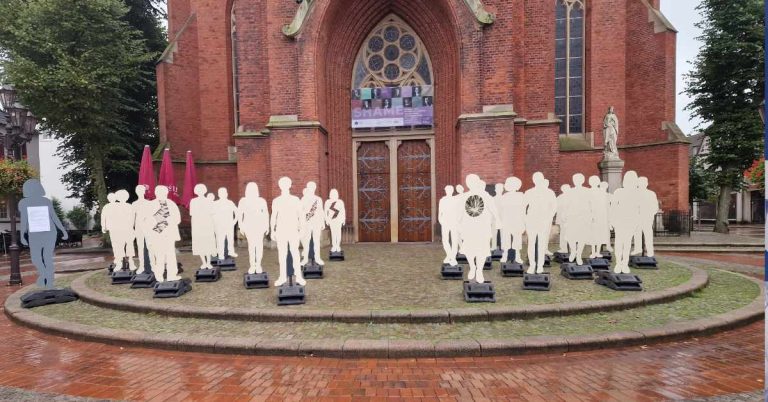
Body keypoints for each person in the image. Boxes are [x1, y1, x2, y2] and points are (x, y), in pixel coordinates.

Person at [18, 179, 68, 288]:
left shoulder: (46, 201)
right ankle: (45, 275)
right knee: (36, 258)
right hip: (36, 234)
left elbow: (54, 217)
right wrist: (22, 235)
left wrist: (63, 230)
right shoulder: (24, 203)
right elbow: (24, 220)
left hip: (48, 233)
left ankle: (49, 283)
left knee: (47, 257)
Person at [457, 174, 499, 283]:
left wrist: (498, 220)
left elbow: (493, 209)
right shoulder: (464, 196)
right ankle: (472, 267)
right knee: (469, 249)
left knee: (482, 250)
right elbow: (459, 212)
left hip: (482, 227)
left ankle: (479, 270)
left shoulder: (486, 196)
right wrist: (458, 224)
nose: (471, 184)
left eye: (473, 181)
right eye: (469, 182)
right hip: (469, 227)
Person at [271, 177, 306, 286]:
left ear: (290, 185)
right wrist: (272, 230)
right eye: (283, 184)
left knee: (295, 253)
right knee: (282, 254)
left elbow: (301, 215)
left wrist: (302, 228)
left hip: (293, 230)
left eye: (287, 184)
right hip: (281, 230)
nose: (285, 186)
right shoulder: (276, 201)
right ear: (280, 185)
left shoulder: (295, 199)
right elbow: (273, 216)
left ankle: (299, 276)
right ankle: (282, 277)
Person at [142, 186, 182, 282]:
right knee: (159, 256)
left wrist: (167, 221)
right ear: (156, 193)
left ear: (166, 193)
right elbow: (146, 220)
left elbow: (177, 219)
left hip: (168, 234)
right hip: (157, 234)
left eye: (163, 192)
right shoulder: (150, 205)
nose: (162, 194)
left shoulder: (171, 204)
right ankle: (159, 276)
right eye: (159, 192)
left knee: (170, 255)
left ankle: (171, 275)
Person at [523, 172, 557, 274]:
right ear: (533, 180)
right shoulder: (529, 192)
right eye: (535, 179)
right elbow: (523, 206)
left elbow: (554, 206)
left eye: (539, 179)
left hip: (543, 221)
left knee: (541, 243)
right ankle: (532, 264)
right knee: (531, 243)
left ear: (542, 179)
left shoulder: (549, 192)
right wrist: (525, 219)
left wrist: (549, 216)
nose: (537, 181)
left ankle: (540, 265)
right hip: (532, 220)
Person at [610, 172, 641, 274]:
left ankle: (625, 263)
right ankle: (618, 263)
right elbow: (613, 207)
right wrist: (612, 220)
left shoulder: (637, 193)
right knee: (619, 242)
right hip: (620, 220)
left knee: (627, 243)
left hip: (631, 220)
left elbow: (639, 209)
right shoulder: (618, 192)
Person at [238, 182, 270, 274]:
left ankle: (258, 264)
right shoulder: (243, 201)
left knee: (259, 246)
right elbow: (240, 214)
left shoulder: (261, 200)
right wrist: (241, 226)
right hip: (248, 225)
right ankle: (252, 265)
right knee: (251, 246)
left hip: (259, 225)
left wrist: (267, 225)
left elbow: (265, 213)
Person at [566, 174, 591, 265]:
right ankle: (573, 251)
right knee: (570, 236)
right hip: (572, 216)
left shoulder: (587, 191)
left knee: (582, 236)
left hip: (583, 217)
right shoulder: (570, 192)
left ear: (583, 180)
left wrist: (591, 215)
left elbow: (590, 204)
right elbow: (566, 204)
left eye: (579, 179)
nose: (577, 181)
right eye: (575, 179)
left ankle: (579, 254)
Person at [190, 184, 216, 269]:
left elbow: (212, 213)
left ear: (204, 190)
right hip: (198, 225)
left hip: (207, 224)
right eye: (199, 190)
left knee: (207, 243)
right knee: (200, 244)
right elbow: (192, 214)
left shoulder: (208, 201)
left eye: (202, 190)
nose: (200, 191)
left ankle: (208, 262)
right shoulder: (193, 201)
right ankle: (204, 262)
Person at [499, 177, 525, 264]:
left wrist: (523, 222)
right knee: (506, 238)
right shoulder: (504, 197)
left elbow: (523, 210)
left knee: (517, 238)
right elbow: (501, 210)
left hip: (517, 220)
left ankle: (517, 255)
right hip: (507, 220)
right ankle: (505, 255)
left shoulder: (521, 196)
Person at [300, 181, 325, 265]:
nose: (311, 189)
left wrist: (322, 222)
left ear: (315, 188)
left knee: (316, 241)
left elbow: (321, 211)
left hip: (316, 223)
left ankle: (317, 258)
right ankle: (305, 259)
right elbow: (301, 212)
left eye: (312, 187)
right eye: (309, 187)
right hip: (307, 223)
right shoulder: (303, 199)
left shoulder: (318, 199)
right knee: (306, 241)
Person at [633, 177, 659, 257]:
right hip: (637, 217)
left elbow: (655, 206)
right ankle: (637, 249)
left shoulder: (651, 194)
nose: (641, 185)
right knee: (637, 233)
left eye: (643, 183)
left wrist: (651, 214)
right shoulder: (635, 194)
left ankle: (650, 251)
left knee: (648, 234)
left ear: (646, 184)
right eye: (640, 183)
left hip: (647, 217)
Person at [112, 190, 137, 270]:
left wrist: (132, 228)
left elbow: (133, 219)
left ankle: (131, 261)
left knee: (129, 245)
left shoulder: (130, 206)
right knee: (119, 246)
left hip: (128, 229)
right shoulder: (115, 207)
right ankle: (119, 263)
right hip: (119, 229)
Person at [133, 185, 154, 273]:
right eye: (138, 191)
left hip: (148, 227)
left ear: (144, 192)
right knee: (140, 247)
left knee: (150, 247)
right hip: (138, 228)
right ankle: (142, 266)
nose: (140, 192)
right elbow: (132, 217)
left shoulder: (149, 203)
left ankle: (152, 265)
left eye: (142, 191)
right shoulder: (134, 204)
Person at [587, 176, 610, 258]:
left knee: (600, 234)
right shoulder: (588, 192)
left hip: (600, 215)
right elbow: (587, 204)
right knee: (593, 234)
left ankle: (597, 252)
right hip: (592, 215)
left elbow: (604, 205)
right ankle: (593, 251)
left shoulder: (602, 192)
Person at [213, 187, 238, 260]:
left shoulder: (230, 203)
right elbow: (212, 214)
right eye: (221, 193)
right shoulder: (215, 203)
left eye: (224, 193)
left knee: (230, 239)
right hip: (220, 225)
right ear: (218, 194)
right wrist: (215, 224)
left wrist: (234, 221)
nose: (223, 194)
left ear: (227, 194)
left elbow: (237, 212)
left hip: (229, 224)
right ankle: (220, 254)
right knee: (220, 240)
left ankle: (231, 251)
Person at [438, 185, 458, 265]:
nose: (448, 191)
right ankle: (450, 255)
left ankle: (452, 257)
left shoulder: (455, 200)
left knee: (454, 240)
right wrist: (440, 220)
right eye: (447, 190)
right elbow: (440, 212)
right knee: (445, 240)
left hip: (453, 222)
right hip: (445, 222)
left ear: (452, 191)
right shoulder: (442, 200)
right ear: (445, 191)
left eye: (450, 190)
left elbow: (458, 212)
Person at [324, 189, 346, 253]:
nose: (334, 194)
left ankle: (338, 246)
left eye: (335, 193)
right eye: (332, 193)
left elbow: (343, 211)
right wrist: (326, 219)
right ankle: (334, 246)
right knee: (333, 233)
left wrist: (343, 219)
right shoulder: (327, 202)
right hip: (331, 220)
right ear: (330, 194)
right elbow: (325, 211)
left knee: (338, 233)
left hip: (338, 220)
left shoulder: (340, 202)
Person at [555, 184, 572, 254]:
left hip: (571, 218)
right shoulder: (560, 198)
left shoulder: (572, 198)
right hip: (563, 219)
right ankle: (563, 248)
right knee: (563, 234)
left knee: (570, 234)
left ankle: (571, 249)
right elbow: (555, 208)